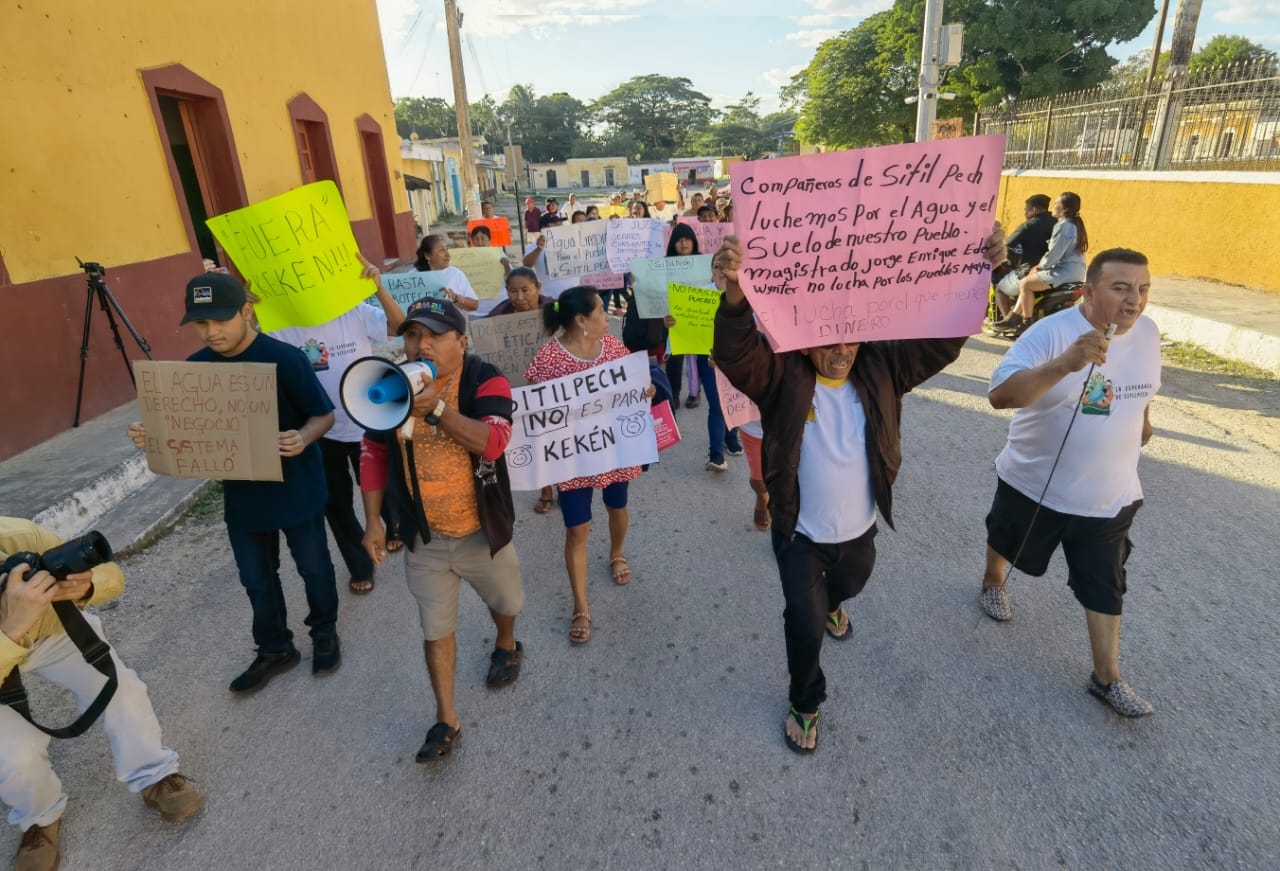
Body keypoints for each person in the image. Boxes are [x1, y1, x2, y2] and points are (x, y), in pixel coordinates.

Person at [713, 230, 1005, 754]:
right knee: (803, 622)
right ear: (807, 339)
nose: (841, 350)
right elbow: (736, 355)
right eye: (829, 339)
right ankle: (805, 702)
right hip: (798, 530)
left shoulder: (883, 366)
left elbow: (942, 340)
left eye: (851, 338)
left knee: (849, 584)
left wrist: (978, 274)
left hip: (859, 530)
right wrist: (735, 298)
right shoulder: (782, 372)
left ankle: (834, 601)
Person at [128, 273, 341, 693]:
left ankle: (324, 632)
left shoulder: (285, 359)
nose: (210, 331)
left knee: (313, 566)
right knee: (256, 577)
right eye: (201, 324)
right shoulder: (195, 370)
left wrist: (303, 436)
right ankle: (275, 648)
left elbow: (323, 415)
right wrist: (153, 435)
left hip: (296, 487)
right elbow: (189, 430)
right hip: (244, 495)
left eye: (220, 320)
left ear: (246, 312)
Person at [979, 248, 1160, 718]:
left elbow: (1142, 388)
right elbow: (1001, 395)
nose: (1134, 299)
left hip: (1110, 495)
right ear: (1088, 290)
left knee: (1105, 584)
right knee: (1007, 538)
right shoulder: (1049, 333)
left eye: (1142, 288)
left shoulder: (1148, 334)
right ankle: (993, 580)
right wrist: (1065, 363)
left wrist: (1143, 422)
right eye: (1120, 287)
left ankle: (1107, 678)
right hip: (1036, 484)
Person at [359, 297, 525, 764]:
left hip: (481, 530)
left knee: (506, 603)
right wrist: (373, 521)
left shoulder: (482, 377)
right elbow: (372, 454)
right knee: (435, 629)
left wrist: (436, 412)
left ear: (461, 341)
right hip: (425, 539)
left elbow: (493, 443)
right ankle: (446, 717)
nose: (422, 345)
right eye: (413, 335)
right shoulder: (389, 384)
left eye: (434, 336)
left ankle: (506, 643)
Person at [1, 519, 204, 871]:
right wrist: (12, 628)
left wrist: (88, 585)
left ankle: (155, 775)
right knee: (13, 756)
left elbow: (110, 572)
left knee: (122, 691)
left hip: (50, 629)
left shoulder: (13, 534)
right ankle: (39, 819)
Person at [525, 287, 655, 644]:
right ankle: (580, 605)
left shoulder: (613, 347)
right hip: (574, 459)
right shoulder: (549, 359)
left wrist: (646, 392)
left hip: (614, 451)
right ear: (581, 320)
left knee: (618, 507)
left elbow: (636, 385)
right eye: (601, 310)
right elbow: (539, 412)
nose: (608, 316)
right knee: (576, 530)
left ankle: (616, 553)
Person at [269, 255, 405, 595]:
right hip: (318, 428)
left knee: (382, 486)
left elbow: (399, 327)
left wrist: (379, 287)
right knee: (336, 503)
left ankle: (394, 526)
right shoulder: (280, 325)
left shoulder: (354, 311)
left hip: (366, 424)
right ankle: (360, 565)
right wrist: (246, 307)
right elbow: (253, 350)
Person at [485, 267, 558, 516]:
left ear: (538, 287)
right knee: (536, 439)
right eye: (513, 291)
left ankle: (569, 483)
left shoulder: (556, 312)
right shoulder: (497, 318)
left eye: (525, 290)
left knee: (561, 437)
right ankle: (546, 489)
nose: (519, 297)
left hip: (556, 388)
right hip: (521, 390)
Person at [994, 192, 1087, 330]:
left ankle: (1026, 322)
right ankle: (1013, 317)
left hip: (1064, 271)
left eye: (1056, 204)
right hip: (1075, 272)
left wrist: (1039, 267)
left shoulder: (1064, 225)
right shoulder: (1072, 224)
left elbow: (1055, 253)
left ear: (1064, 208)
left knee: (1025, 283)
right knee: (1029, 281)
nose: (1053, 207)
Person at [992, 194, 1056, 319]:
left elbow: (1006, 244)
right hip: (1052, 271)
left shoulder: (1028, 225)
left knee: (1000, 289)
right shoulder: (1057, 222)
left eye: (1026, 210)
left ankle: (1008, 321)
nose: (1025, 213)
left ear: (1033, 210)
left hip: (1029, 271)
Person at [662, 224, 703, 414]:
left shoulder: (703, 263)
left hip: (697, 319)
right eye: (679, 240)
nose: (684, 242)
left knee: (696, 360)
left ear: (693, 242)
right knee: (674, 361)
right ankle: (674, 395)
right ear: (673, 244)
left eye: (687, 239)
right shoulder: (664, 265)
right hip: (673, 322)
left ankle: (695, 393)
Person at [413, 235, 480, 312]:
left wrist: (455, 298)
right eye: (441, 250)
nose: (448, 255)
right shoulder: (413, 277)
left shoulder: (455, 274)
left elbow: (474, 305)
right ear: (428, 255)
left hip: (450, 322)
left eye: (447, 249)